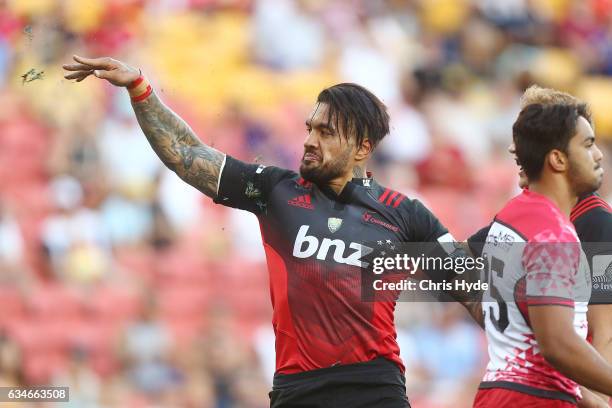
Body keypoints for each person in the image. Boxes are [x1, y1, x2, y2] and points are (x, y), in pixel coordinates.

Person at [63, 55, 459, 408]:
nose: (309, 141)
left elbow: (476, 281)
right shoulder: (276, 192)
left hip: (376, 390)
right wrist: (140, 89)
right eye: (310, 128)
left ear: (361, 148)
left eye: (325, 132)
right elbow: (187, 155)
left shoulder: (403, 215)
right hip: (297, 390)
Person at [465, 90, 612, 407]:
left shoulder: (511, 218)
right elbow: (560, 343)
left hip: (498, 389)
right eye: (587, 145)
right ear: (557, 157)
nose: (599, 155)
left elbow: (449, 263)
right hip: (539, 396)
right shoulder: (555, 232)